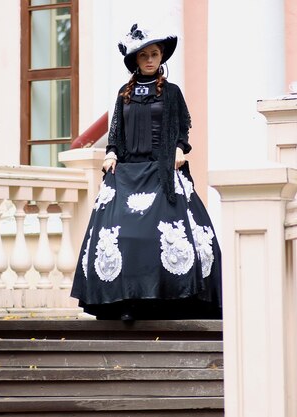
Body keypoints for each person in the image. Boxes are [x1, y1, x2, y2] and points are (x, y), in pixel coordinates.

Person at [70, 23, 222, 321]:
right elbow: (116, 133)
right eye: (144, 56)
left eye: (154, 54)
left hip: (163, 171)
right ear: (136, 61)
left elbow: (182, 127)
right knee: (124, 237)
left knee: (160, 238)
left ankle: (167, 304)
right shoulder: (123, 94)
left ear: (161, 57)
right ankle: (126, 302)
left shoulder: (172, 93)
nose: (150, 60)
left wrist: (179, 149)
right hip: (127, 173)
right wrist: (111, 153)